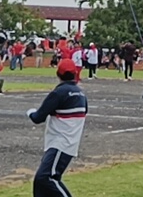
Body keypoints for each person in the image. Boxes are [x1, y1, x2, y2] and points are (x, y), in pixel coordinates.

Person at [28, 64, 88, 197]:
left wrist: (30, 112)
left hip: (60, 143)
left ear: (58, 74)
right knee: (40, 183)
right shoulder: (81, 94)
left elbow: (38, 117)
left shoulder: (59, 92)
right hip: (69, 142)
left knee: (45, 177)